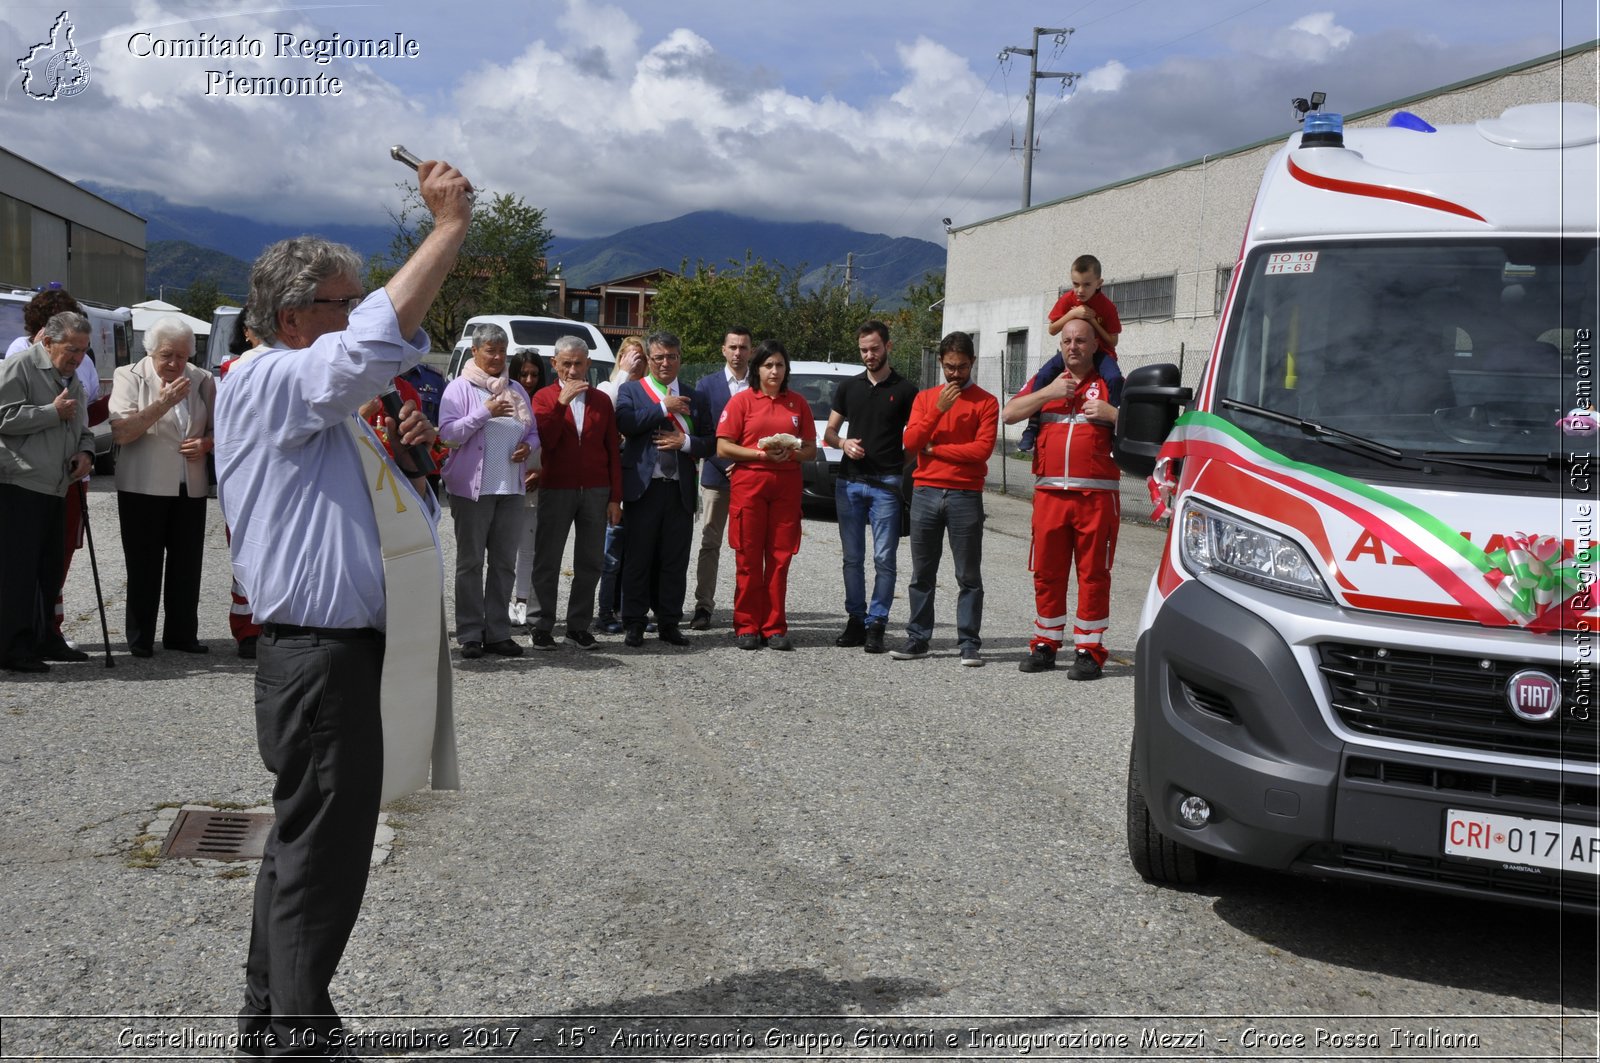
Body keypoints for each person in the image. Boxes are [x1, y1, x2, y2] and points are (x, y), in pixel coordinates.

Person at [215, 157, 469, 1057]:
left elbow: (393, 519)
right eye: (341, 303)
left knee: (304, 846)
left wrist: (408, 463)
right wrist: (443, 231)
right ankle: (301, 1033)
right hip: (317, 655)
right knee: (321, 855)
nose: (360, 316)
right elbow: (369, 346)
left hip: (338, 652)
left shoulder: (312, 400)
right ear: (293, 319)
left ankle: (270, 1018)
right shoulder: (262, 378)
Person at [1001, 318, 1120, 679]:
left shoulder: (1111, 384)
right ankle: (1045, 643)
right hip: (1050, 494)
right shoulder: (1047, 381)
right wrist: (1048, 393)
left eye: (1081, 340)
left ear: (1095, 344)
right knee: (1047, 573)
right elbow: (1008, 414)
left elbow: (1147, 427)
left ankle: (1090, 649)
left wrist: (1113, 414)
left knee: (1093, 574)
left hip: (1096, 497)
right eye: (1067, 340)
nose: (1073, 347)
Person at [108, 315, 215, 658]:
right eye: (167, 355)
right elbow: (123, 431)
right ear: (151, 351)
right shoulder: (129, 376)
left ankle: (182, 634)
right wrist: (164, 402)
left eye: (182, 356)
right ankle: (140, 638)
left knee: (187, 564)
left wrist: (206, 445)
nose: (174, 363)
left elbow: (222, 429)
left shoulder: (202, 380)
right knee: (144, 564)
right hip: (142, 485)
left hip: (190, 484)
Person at [891, 331, 997, 667]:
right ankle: (918, 637)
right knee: (922, 572)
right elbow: (911, 441)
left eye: (962, 367)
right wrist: (938, 410)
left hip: (966, 494)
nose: (955, 373)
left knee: (968, 575)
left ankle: (968, 642)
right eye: (950, 367)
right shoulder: (926, 399)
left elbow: (981, 452)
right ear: (941, 363)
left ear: (972, 363)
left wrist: (936, 449)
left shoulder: (987, 402)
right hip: (925, 492)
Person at [6, 287, 103, 647]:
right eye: (71, 348)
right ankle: (18, 642)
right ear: (47, 339)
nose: (78, 356)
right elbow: (5, 417)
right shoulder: (20, 362)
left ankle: (46, 633)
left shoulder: (74, 375)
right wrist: (52, 412)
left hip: (60, 482)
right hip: (24, 480)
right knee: (20, 567)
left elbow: (82, 426)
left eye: (82, 349)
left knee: (51, 565)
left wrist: (87, 454)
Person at [438, 323, 539, 659]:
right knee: (470, 563)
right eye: (490, 350)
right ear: (474, 352)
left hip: (511, 488)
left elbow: (532, 432)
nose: (497, 357)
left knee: (504, 563)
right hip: (473, 491)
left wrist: (528, 447)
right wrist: (485, 412)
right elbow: (449, 436)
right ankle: (469, 633)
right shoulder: (459, 389)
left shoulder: (516, 391)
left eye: (501, 351)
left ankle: (497, 632)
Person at [714, 338, 815, 650]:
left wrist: (793, 454)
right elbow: (722, 446)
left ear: (787, 369)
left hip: (785, 487)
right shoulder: (742, 402)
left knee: (779, 558)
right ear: (756, 369)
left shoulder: (797, 403)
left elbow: (811, 449)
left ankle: (774, 627)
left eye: (780, 365)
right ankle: (746, 625)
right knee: (747, 557)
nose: (774, 370)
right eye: (768, 365)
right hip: (750, 485)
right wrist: (759, 456)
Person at [823, 319, 917, 654]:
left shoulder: (906, 390)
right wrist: (844, 443)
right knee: (852, 557)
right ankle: (855, 619)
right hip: (849, 482)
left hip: (886, 486)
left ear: (888, 346)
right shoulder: (848, 388)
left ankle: (877, 622)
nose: (868, 355)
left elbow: (916, 439)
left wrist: (896, 466)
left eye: (874, 349)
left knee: (884, 557)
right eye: (863, 350)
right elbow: (829, 433)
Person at [615, 331, 714, 647]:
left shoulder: (694, 396)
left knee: (674, 559)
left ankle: (669, 621)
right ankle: (634, 622)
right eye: (658, 357)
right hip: (644, 488)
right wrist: (662, 406)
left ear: (680, 359)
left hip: (678, 489)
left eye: (671, 356)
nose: (665, 363)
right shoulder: (632, 390)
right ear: (649, 359)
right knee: (638, 557)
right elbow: (626, 424)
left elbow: (711, 442)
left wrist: (685, 443)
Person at [530, 336, 622, 651]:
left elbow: (612, 449)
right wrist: (560, 404)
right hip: (557, 487)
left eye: (578, 363)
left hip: (596, 489)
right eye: (565, 363)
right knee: (548, 558)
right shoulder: (543, 397)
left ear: (588, 365)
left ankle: (578, 626)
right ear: (554, 363)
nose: (571, 370)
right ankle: (541, 624)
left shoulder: (601, 401)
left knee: (590, 560)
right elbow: (547, 441)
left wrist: (615, 497)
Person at [1024, 254, 1123, 453]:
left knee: (1114, 378)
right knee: (1042, 376)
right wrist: (1073, 314)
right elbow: (1052, 329)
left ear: (1099, 283)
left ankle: (1114, 432)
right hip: (1071, 353)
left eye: (1086, 284)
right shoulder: (1068, 300)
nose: (1080, 290)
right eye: (1075, 284)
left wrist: (1093, 321)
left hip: (1101, 353)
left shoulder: (1107, 307)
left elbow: (1113, 341)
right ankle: (1032, 425)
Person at [690, 326, 753, 630]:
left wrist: (744, 463)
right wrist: (726, 461)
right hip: (717, 476)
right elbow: (703, 432)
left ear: (751, 351)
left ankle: (749, 608)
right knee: (710, 543)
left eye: (743, 347)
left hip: (753, 477)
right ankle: (704, 606)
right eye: (733, 347)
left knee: (749, 546)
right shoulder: (706, 385)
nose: (738, 353)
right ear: (723, 350)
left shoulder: (761, 383)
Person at [218, 310, 264, 659]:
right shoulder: (233, 368)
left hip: (273, 476)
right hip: (247, 477)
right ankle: (247, 629)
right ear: (246, 332)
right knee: (245, 557)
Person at [595, 335, 646, 635]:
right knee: (611, 554)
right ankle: (604, 612)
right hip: (615, 478)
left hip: (640, 480)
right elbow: (607, 410)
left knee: (636, 554)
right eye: (629, 355)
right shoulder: (607, 386)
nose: (635, 360)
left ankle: (630, 610)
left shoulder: (648, 390)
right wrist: (624, 373)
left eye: (640, 356)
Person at [507, 351, 548, 628]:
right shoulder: (506, 398)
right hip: (507, 479)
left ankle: (522, 599)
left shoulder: (546, 401)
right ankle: (502, 601)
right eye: (523, 374)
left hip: (536, 480)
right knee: (503, 547)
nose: (529, 379)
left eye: (534, 374)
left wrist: (543, 473)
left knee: (528, 547)